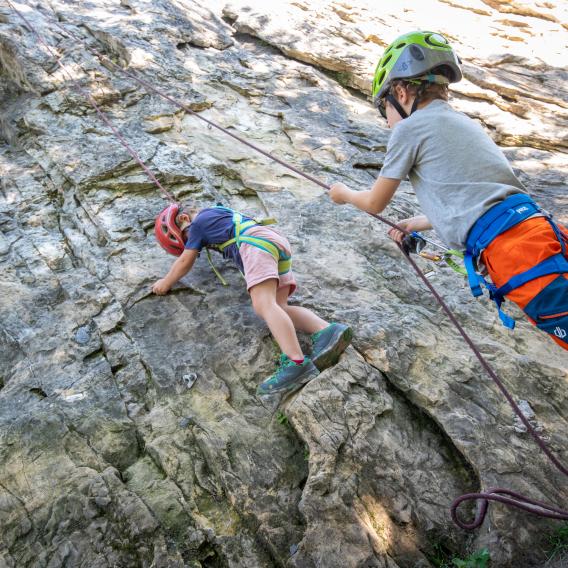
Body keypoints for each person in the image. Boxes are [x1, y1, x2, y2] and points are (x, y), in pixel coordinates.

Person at [329, 31, 567, 350]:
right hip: (544, 233)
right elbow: (481, 197)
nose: (387, 123)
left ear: (400, 92)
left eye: (382, 109)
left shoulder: (409, 129)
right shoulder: (465, 123)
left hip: (517, 255)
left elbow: (374, 204)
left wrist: (343, 193)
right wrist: (421, 222)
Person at [152, 203, 353, 393]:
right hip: (274, 242)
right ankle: (327, 330)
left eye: (186, 236)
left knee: (263, 304)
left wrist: (166, 282)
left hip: (255, 244)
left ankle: (296, 362)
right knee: (278, 307)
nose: (193, 242)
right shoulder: (218, 213)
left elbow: (186, 260)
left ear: (184, 218)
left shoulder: (198, 223)